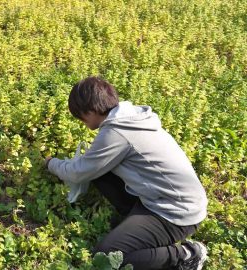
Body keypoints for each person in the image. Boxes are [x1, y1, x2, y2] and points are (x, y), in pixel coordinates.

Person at [45, 77, 208, 270]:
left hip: (176, 213)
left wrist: (51, 164)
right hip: (163, 199)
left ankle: (186, 255)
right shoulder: (131, 118)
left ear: (90, 111)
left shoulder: (117, 132)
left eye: (80, 116)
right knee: (98, 169)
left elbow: (78, 172)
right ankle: (133, 223)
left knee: (108, 257)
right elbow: (90, 167)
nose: (81, 122)